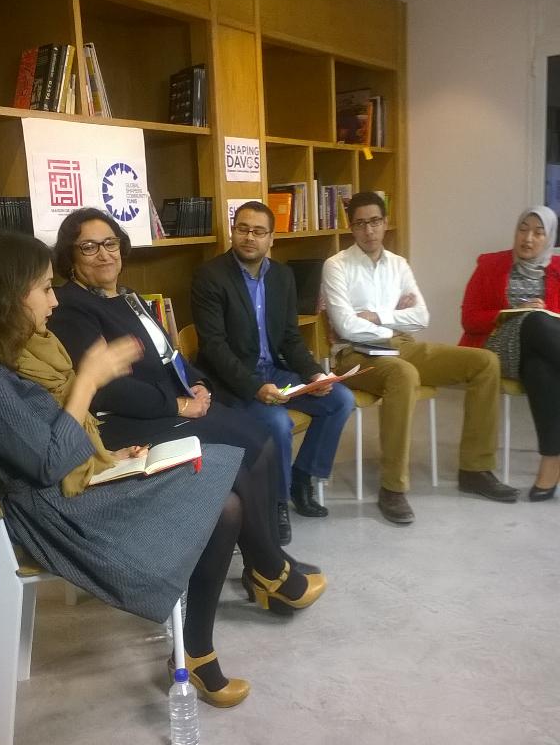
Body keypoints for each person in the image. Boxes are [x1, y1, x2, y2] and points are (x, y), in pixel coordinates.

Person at [0, 231, 325, 711]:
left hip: (75, 480)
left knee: (224, 481)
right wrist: (88, 380)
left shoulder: (21, 351)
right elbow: (47, 461)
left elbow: (51, 439)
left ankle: (211, 635)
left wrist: (109, 456)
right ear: (8, 297)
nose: (53, 300)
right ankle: (224, 624)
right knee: (224, 499)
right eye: (43, 288)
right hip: (59, 513)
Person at [49, 207, 323, 592]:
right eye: (89, 247)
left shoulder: (128, 297)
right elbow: (107, 387)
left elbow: (171, 354)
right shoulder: (71, 306)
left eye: (110, 243)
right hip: (126, 423)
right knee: (239, 454)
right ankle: (270, 569)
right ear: (70, 256)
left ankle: (265, 559)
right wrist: (179, 404)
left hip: (164, 406)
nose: (104, 254)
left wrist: (197, 383)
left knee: (260, 438)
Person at [321, 191, 518, 525]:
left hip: (402, 345)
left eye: (375, 221)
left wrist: (377, 316)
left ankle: (475, 469)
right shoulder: (337, 265)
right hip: (354, 354)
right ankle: (392, 487)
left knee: (484, 362)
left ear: (385, 223)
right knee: (404, 374)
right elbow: (345, 326)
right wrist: (395, 317)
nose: (369, 230)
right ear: (351, 228)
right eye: (360, 224)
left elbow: (422, 317)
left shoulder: (398, 264)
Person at [191, 201, 355, 536]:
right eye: (242, 229)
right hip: (233, 382)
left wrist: (314, 374)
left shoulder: (282, 276)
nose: (249, 237)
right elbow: (214, 348)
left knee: (340, 400)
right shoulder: (210, 276)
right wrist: (254, 387)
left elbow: (291, 338)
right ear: (233, 231)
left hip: (274, 373)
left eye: (258, 231)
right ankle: (277, 502)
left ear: (271, 238)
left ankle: (302, 478)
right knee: (278, 423)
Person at [460, 205, 560, 500]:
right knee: (535, 320)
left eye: (538, 233)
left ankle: (551, 462)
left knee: (540, 368)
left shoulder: (557, 270)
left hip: (541, 352)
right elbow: (469, 318)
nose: (528, 238)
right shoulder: (490, 264)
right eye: (523, 229)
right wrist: (515, 312)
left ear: (550, 238)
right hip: (496, 347)